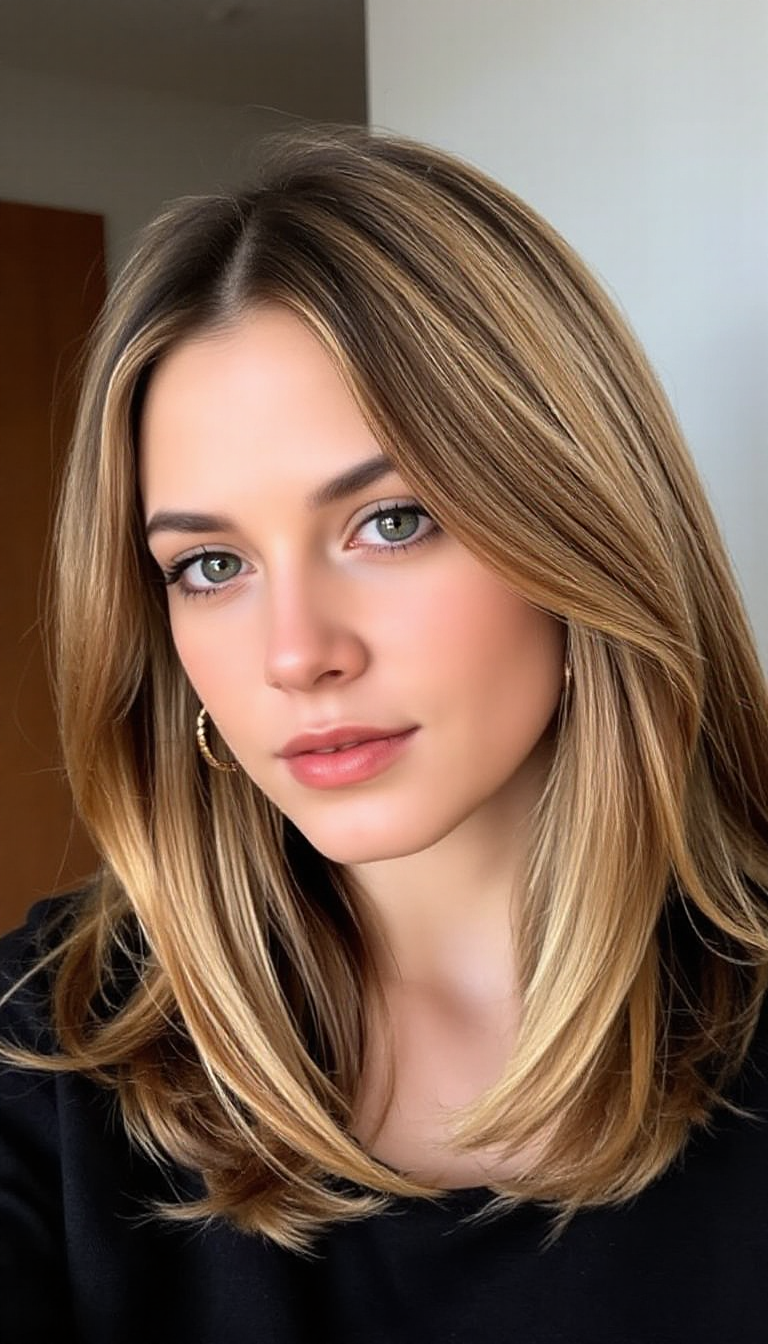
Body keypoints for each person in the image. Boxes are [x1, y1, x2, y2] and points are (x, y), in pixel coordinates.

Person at [1, 122, 767, 1344]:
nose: (297, 653)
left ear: (579, 523)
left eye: (392, 522)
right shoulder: (44, 1056)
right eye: (209, 564)